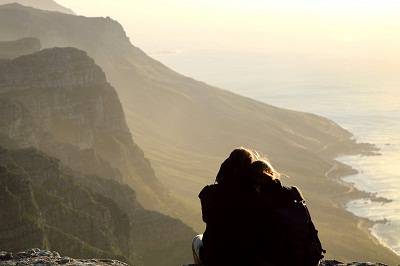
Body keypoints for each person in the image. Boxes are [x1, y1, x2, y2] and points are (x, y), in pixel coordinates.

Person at [192, 147, 324, 266]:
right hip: (300, 257)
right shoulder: (274, 194)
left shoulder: (210, 193)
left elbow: (207, 217)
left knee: (197, 240)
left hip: (219, 256)